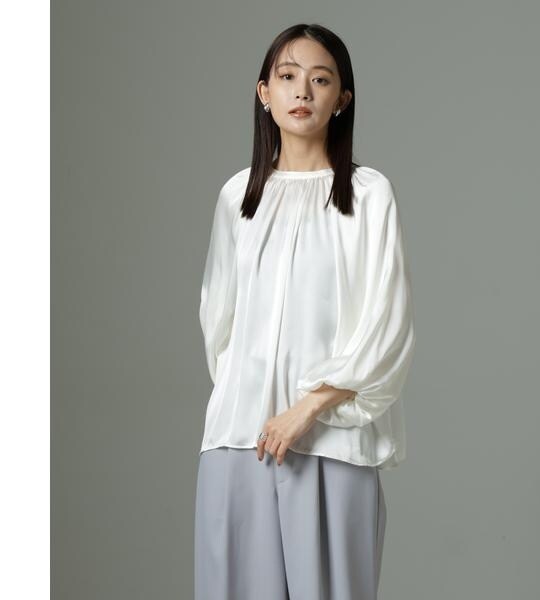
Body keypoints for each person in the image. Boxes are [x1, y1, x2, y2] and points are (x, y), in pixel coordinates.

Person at [194, 23, 416, 600]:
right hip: (239, 441)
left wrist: (307, 407)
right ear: (264, 92)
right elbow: (219, 324)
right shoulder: (237, 197)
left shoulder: (367, 195)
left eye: (320, 80)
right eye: (288, 77)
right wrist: (249, 401)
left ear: (342, 99)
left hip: (332, 440)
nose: (302, 92)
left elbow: (387, 325)